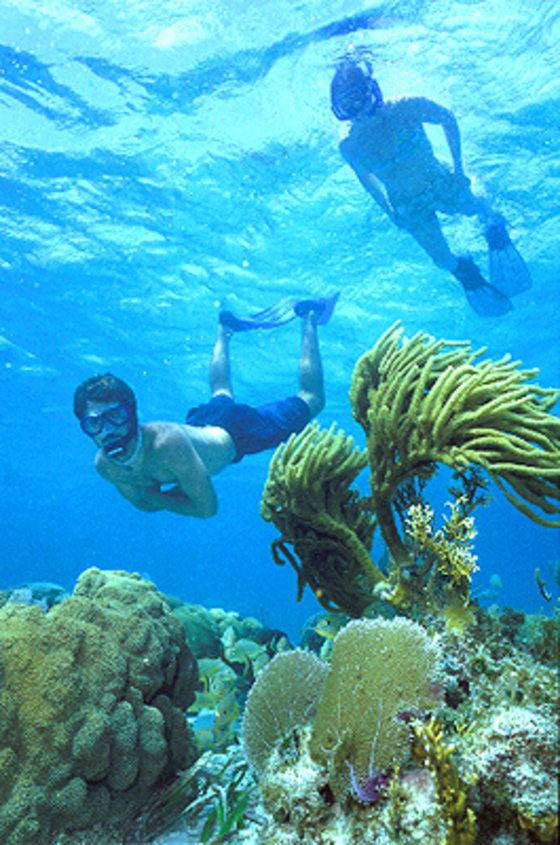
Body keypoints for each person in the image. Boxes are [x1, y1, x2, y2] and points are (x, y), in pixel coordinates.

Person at [73, 294, 338, 519]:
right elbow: (143, 504)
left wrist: (160, 497)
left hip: (237, 431)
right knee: (221, 391)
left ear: (132, 414)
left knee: (312, 399)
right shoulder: (105, 466)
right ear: (85, 429)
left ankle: (309, 316)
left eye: (116, 416)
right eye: (94, 423)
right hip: (201, 424)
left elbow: (207, 508)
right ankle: (224, 331)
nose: (107, 430)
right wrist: (160, 495)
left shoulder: (166, 445)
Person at [330, 55, 531, 316]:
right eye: (349, 104)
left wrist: (460, 170)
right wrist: (389, 212)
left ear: (373, 91)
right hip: (407, 206)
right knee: (442, 261)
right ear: (339, 108)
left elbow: (448, 118)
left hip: (440, 181)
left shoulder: (405, 107)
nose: (358, 111)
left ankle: (494, 230)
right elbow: (365, 179)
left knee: (481, 209)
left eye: (361, 98)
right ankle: (466, 270)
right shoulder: (349, 145)